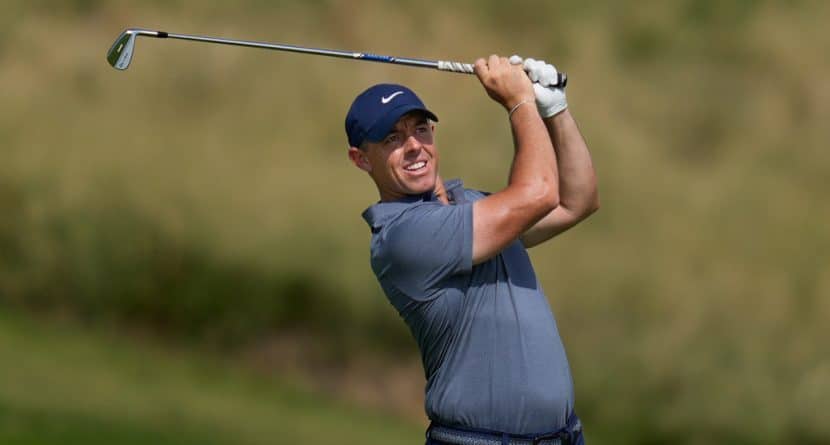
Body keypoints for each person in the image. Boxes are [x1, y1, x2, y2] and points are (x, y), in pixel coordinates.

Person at [345, 54, 598, 445]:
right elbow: (539, 194)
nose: (414, 146)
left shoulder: (473, 206)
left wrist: (556, 109)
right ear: (361, 159)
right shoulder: (401, 237)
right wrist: (519, 103)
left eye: (421, 129)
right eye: (392, 139)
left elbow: (575, 201)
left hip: (563, 436)